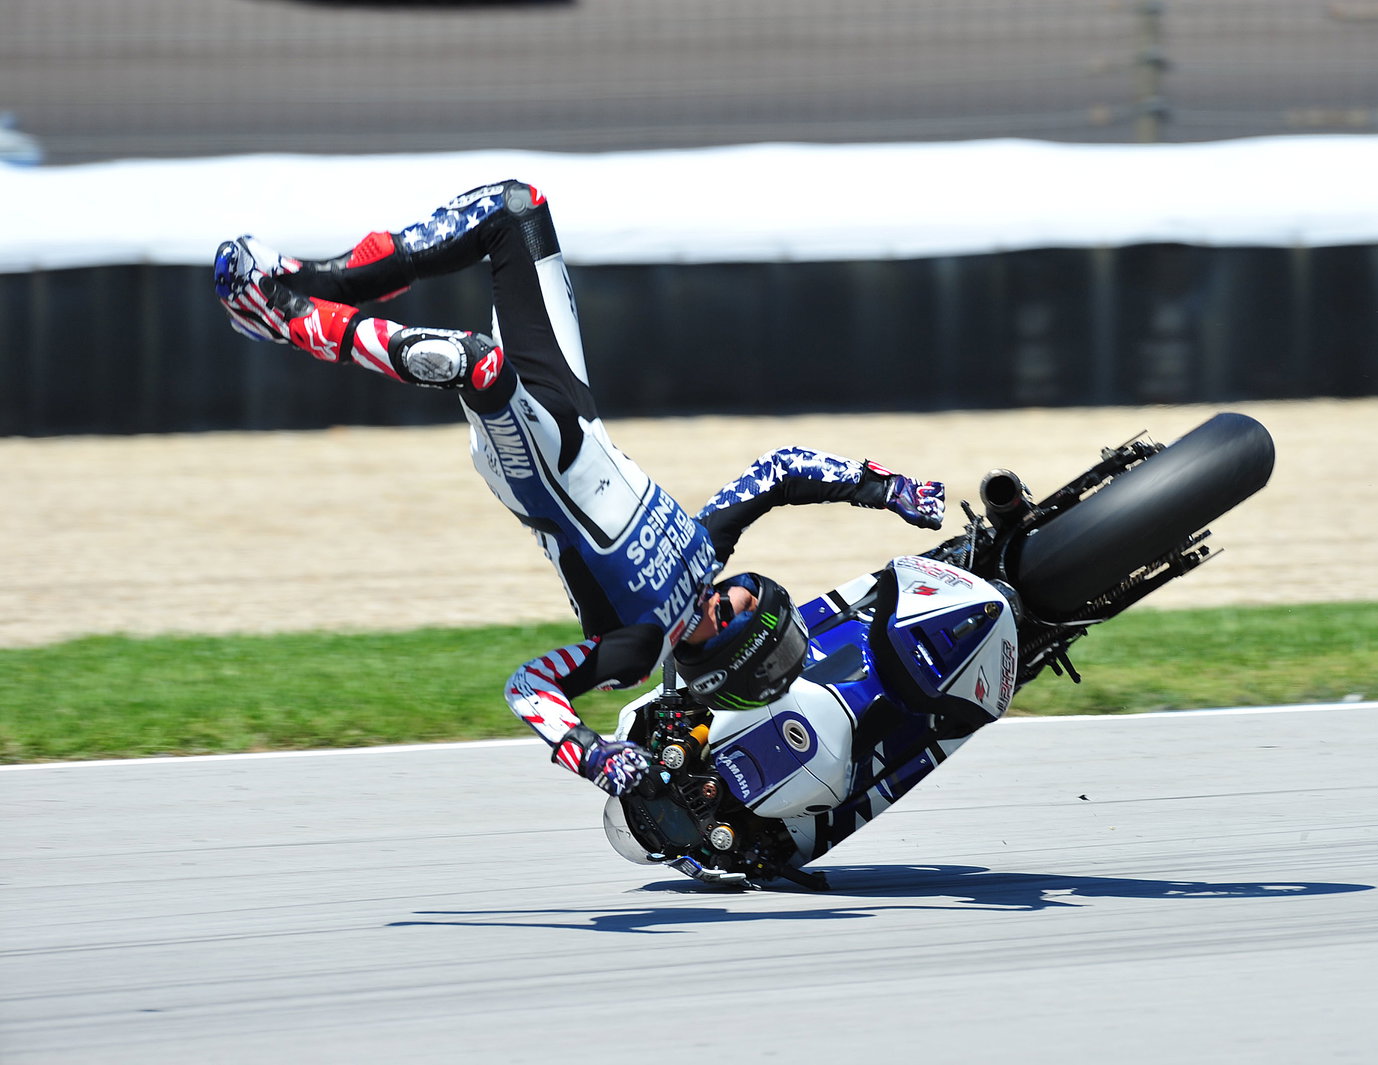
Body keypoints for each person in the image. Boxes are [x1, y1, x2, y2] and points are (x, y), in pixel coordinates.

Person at [213, 179, 945, 797]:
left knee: (474, 363)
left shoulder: (634, 649)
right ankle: (308, 282)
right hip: (575, 410)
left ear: (734, 646)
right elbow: (782, 469)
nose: (753, 588)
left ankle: (291, 319)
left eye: (751, 605)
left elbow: (528, 685)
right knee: (515, 210)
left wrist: (593, 755)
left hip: (536, 463)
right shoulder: (706, 551)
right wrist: (889, 489)